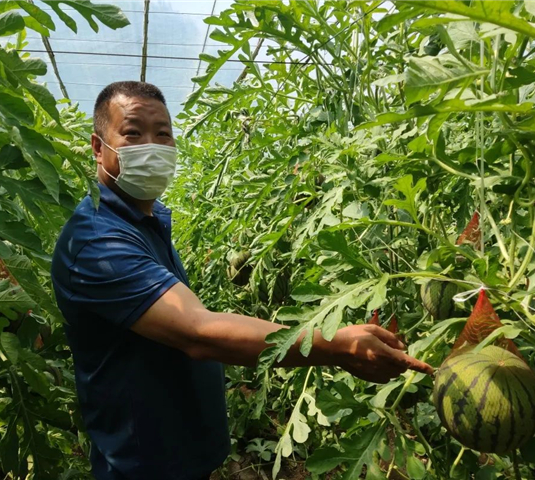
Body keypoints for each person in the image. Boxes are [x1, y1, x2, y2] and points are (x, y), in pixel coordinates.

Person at [51, 81, 433, 480]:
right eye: (133, 133)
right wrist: (338, 345)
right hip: (141, 466)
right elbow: (198, 331)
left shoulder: (145, 221)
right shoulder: (97, 242)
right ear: (98, 147)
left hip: (178, 454)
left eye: (162, 134)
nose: (152, 146)